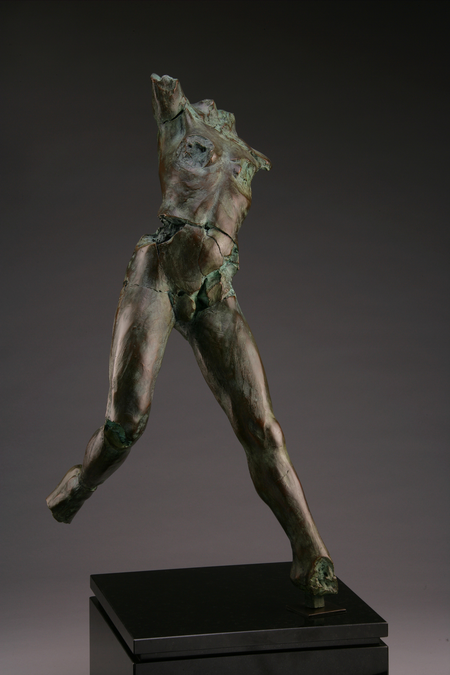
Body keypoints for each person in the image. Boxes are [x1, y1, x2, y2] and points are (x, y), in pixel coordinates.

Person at [47, 74, 337, 603]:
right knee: (127, 421)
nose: (216, 108)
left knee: (264, 428)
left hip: (214, 288)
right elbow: (168, 102)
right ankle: (80, 484)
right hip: (158, 269)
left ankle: (310, 551)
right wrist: (172, 101)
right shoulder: (181, 121)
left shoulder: (246, 155)